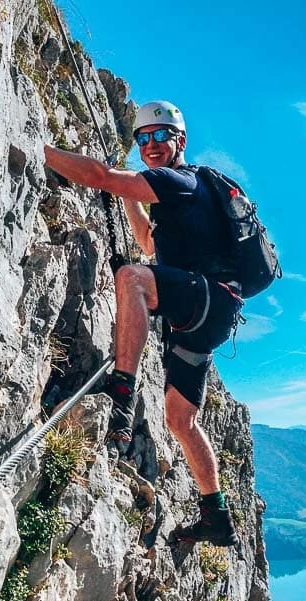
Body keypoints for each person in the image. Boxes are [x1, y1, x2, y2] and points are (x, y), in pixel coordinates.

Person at [43, 100, 242, 547]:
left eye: (159, 136)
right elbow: (149, 242)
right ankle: (216, 515)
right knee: (180, 419)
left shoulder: (181, 180)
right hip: (204, 313)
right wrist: (126, 194)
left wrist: (42, 151)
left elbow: (98, 177)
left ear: (180, 142)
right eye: (142, 138)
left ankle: (121, 391)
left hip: (205, 300)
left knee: (131, 278)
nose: (149, 145)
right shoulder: (185, 196)